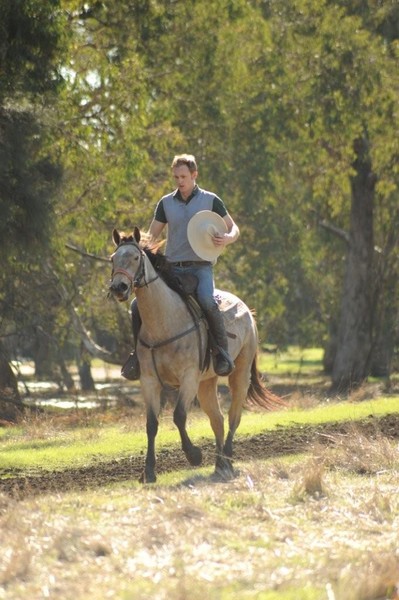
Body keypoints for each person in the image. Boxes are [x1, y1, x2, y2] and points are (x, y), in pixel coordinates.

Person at [122, 153, 240, 380]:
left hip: (201, 267)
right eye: (176, 176)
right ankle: (138, 356)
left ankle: (221, 354)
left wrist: (227, 238)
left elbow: (233, 228)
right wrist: (130, 248)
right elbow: (151, 236)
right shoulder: (165, 203)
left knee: (206, 300)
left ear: (194, 175)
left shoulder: (211, 199)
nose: (179, 181)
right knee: (137, 305)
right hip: (172, 268)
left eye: (184, 176)